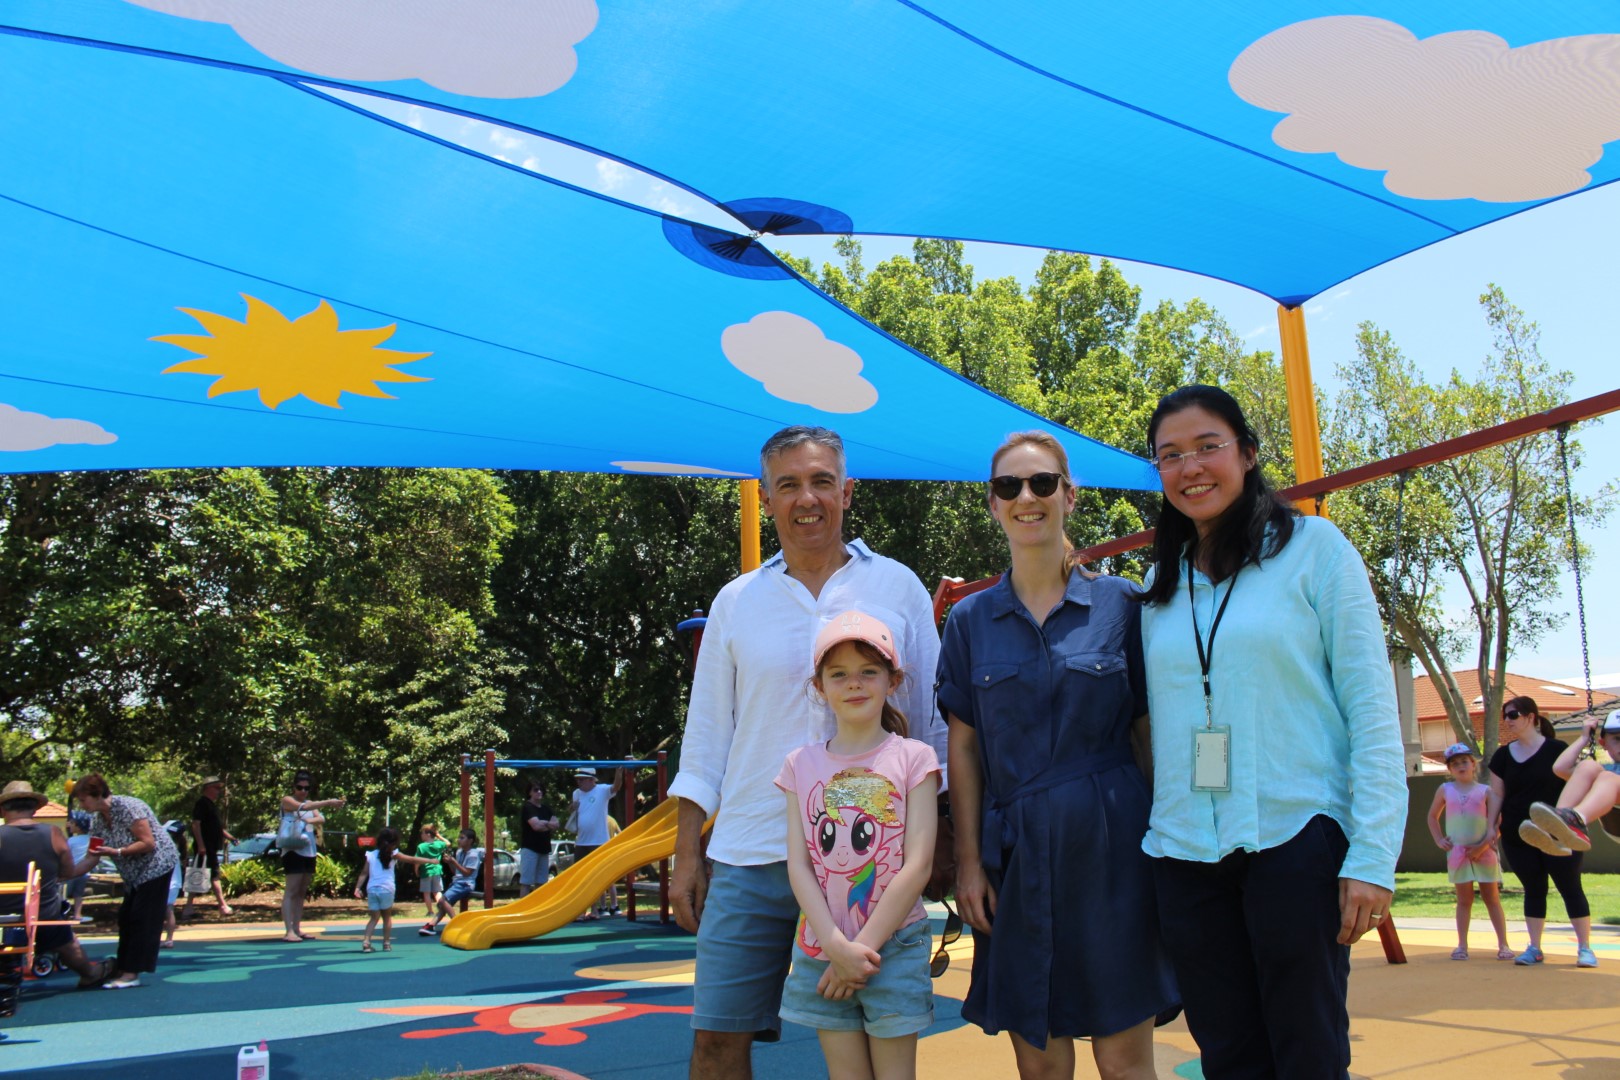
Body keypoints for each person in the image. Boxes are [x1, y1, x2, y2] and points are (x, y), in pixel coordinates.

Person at [1136, 385, 1406, 1079]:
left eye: (1207, 447)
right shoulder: (1159, 585)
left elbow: (1372, 708)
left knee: (1307, 1050)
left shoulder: (1316, 550)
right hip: (1185, 848)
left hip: (1295, 837)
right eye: (1170, 456)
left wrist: (1372, 854)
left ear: (1248, 455)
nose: (1190, 467)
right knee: (1227, 1054)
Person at [670, 425, 947, 1079]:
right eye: (788, 484)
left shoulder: (899, 588)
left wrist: (949, 845)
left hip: (874, 863)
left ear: (847, 491)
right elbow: (706, 736)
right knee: (715, 1042)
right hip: (753, 851)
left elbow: (933, 723)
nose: (807, 498)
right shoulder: (737, 602)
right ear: (767, 500)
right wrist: (686, 855)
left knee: (876, 1053)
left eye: (822, 481)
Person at [937, 431, 1177, 1079]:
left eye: (1042, 483)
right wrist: (967, 864)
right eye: (1009, 486)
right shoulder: (969, 621)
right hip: (1013, 859)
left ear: (1069, 496)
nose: (1026, 497)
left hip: (1114, 853)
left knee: (1125, 1062)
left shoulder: (1122, 606)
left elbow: (1151, 736)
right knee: (1041, 1067)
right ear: (992, 504)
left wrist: (1164, 841)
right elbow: (963, 747)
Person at [778, 611, 938, 1080]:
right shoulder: (799, 765)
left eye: (869, 671)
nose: (855, 684)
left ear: (893, 681)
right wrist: (834, 945)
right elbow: (800, 865)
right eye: (839, 674)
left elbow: (918, 864)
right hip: (821, 949)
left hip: (894, 947)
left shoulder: (914, 758)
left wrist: (859, 952)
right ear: (819, 686)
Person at [1488, 696, 1596, 968]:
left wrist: (1585, 736)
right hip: (1518, 834)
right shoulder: (1502, 756)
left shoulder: (1556, 750)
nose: (1508, 721)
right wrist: (1491, 827)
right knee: (1533, 889)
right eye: (1506, 716)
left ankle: (1585, 949)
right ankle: (1534, 948)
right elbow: (1496, 795)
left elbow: (1580, 781)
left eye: (1513, 715)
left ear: (1532, 717)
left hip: (1557, 834)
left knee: (1570, 887)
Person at [69, 773, 181, 989]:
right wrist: (67, 874)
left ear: (98, 794)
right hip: (133, 874)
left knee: (142, 918)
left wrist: (117, 851)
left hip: (156, 866)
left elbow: (147, 843)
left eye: (83, 800)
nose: (82, 805)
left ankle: (131, 974)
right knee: (126, 918)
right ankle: (123, 967)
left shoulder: (129, 807)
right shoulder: (98, 820)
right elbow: (93, 856)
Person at [0, 781, 106, 988]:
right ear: (35, 808)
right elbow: (67, 873)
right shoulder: (53, 834)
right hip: (43, 914)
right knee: (63, 938)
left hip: (2, 917)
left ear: (3, 809)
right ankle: (90, 972)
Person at [1425, 743, 1512, 961]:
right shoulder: (1445, 790)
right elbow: (1432, 817)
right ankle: (1462, 945)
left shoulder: (1485, 791)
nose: (1460, 766)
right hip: (1457, 853)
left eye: (1464, 761)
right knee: (1464, 900)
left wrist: (1481, 846)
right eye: (1455, 763)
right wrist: (1438, 839)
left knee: (1491, 897)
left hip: (1484, 850)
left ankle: (1503, 945)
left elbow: (1498, 824)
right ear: (1449, 769)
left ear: (1473, 764)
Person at [1520, 713, 1620, 860]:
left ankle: (1576, 819)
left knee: (1608, 777)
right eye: (1617, 739)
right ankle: (1558, 831)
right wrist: (1584, 738)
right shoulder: (1605, 770)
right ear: (1603, 743)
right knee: (1588, 766)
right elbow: (1560, 768)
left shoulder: (1608, 776)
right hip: (1615, 824)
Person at [278, 770, 346, 943]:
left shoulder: (310, 803)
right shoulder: (288, 800)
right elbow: (306, 808)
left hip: (308, 849)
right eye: (299, 787)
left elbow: (320, 818)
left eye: (306, 788)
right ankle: (288, 931)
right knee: (291, 890)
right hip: (292, 849)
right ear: (294, 787)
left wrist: (308, 821)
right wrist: (329, 802)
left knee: (302, 891)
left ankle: (297, 928)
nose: (303, 791)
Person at [353, 826, 439, 952]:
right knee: (387, 917)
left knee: (374, 918)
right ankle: (386, 943)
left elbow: (364, 873)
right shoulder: (393, 854)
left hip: (372, 889)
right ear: (394, 842)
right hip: (386, 889)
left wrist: (357, 888)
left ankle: (366, 942)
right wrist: (430, 860)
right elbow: (412, 859)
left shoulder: (371, 855)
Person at [571, 766, 623, 920]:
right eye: (578, 779)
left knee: (595, 877)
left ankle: (595, 910)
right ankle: (582, 910)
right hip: (581, 841)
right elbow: (573, 812)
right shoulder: (577, 793)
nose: (579, 782)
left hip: (599, 841)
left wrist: (619, 773)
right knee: (580, 877)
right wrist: (572, 808)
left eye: (581, 779)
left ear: (591, 780)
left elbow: (616, 787)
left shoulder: (601, 790)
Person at [186, 776, 235, 918]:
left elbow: (217, 827)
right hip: (205, 848)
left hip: (211, 847)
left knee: (204, 875)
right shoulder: (202, 804)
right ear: (208, 788)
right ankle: (222, 905)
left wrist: (229, 837)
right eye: (216, 788)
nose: (219, 791)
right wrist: (201, 845)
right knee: (204, 875)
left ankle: (189, 907)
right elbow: (196, 824)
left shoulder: (211, 805)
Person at [424, 827, 484, 933]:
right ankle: (431, 925)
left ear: (470, 841)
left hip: (466, 883)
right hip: (457, 882)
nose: (458, 840)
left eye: (462, 838)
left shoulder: (473, 854)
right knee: (443, 904)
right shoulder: (459, 852)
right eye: (459, 838)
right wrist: (450, 863)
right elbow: (456, 872)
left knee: (442, 900)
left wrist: (454, 862)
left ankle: (457, 923)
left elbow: (467, 873)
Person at [517, 780, 559, 898]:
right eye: (535, 789)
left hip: (544, 849)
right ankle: (523, 909)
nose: (539, 792)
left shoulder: (546, 808)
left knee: (541, 882)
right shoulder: (528, 807)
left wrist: (543, 824)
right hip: (530, 849)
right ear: (529, 792)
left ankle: (538, 908)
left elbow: (556, 825)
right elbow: (536, 826)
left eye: (541, 789)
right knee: (526, 882)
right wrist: (547, 823)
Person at [414, 824, 449, 935]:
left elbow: (417, 860)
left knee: (427, 893)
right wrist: (439, 836)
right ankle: (442, 908)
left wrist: (416, 870)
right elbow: (448, 843)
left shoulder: (421, 846)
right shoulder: (439, 844)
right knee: (437, 892)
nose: (421, 835)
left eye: (423, 833)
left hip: (426, 871)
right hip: (437, 870)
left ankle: (430, 911)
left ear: (428, 834)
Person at [62, 811, 93, 922]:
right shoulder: (90, 839)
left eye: (73, 823)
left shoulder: (72, 841)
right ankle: (77, 914)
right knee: (78, 895)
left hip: (71, 871)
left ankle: (62, 913)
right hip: (84, 872)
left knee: (64, 894)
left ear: (78, 827)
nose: (70, 825)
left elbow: (64, 854)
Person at [162, 819, 187, 949]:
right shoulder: (175, 845)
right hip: (174, 883)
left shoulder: (166, 845)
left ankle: (168, 938)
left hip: (168, 883)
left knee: (166, 910)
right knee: (168, 910)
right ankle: (168, 939)